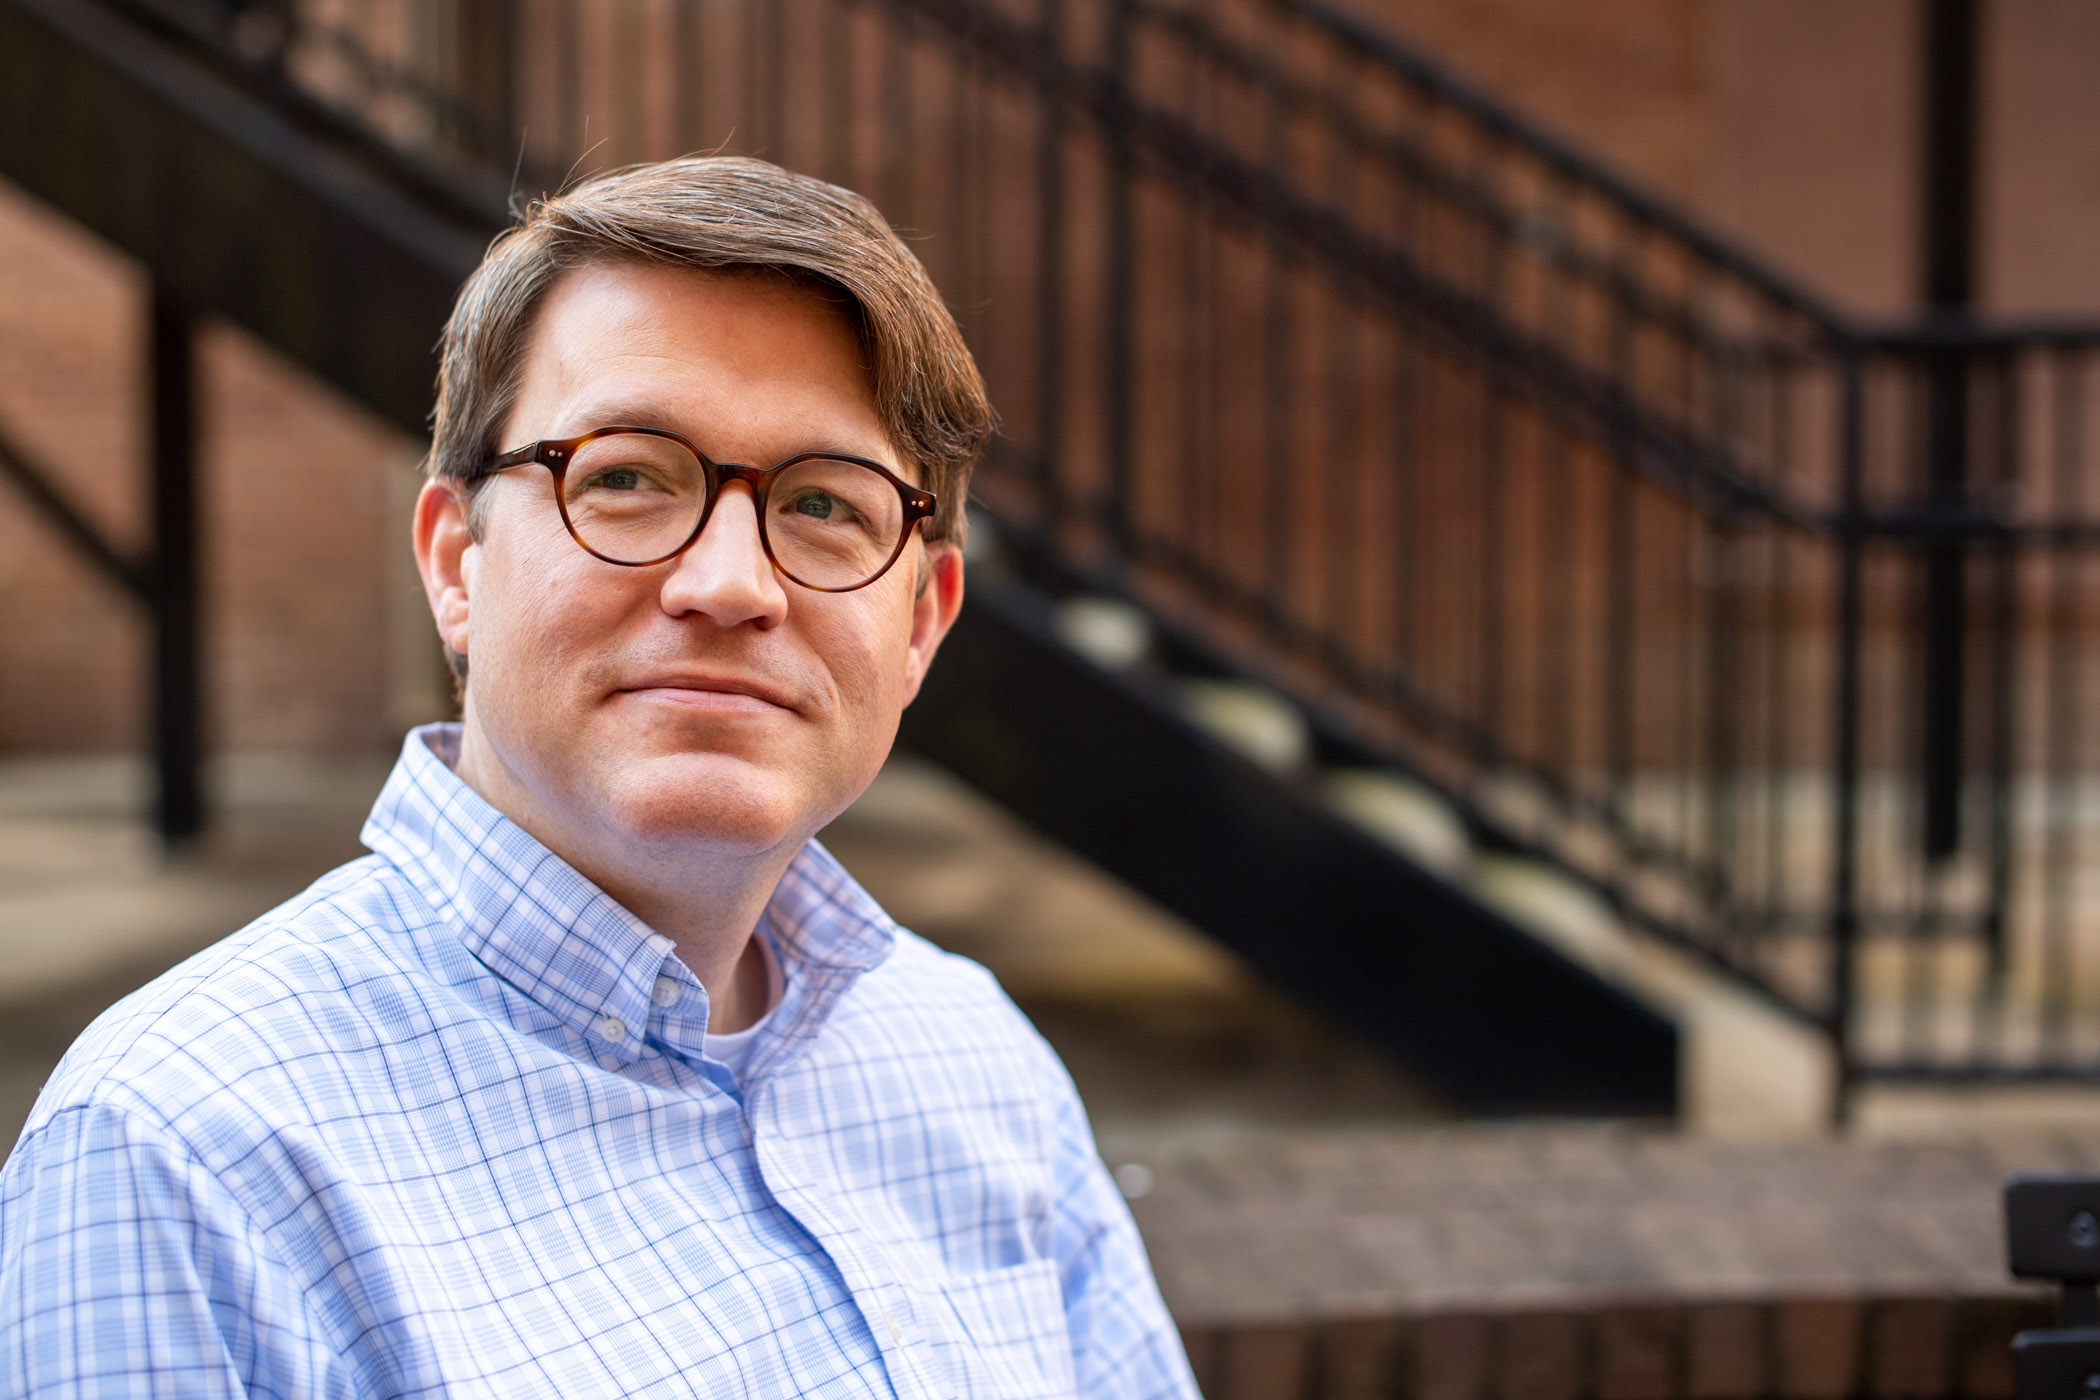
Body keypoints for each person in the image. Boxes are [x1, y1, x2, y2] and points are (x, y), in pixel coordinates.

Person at [0, 156, 1198, 1398]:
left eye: (826, 504)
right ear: (458, 561)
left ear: (919, 625)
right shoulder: (184, 1154)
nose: (732, 583)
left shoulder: (973, 1058)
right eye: (626, 476)